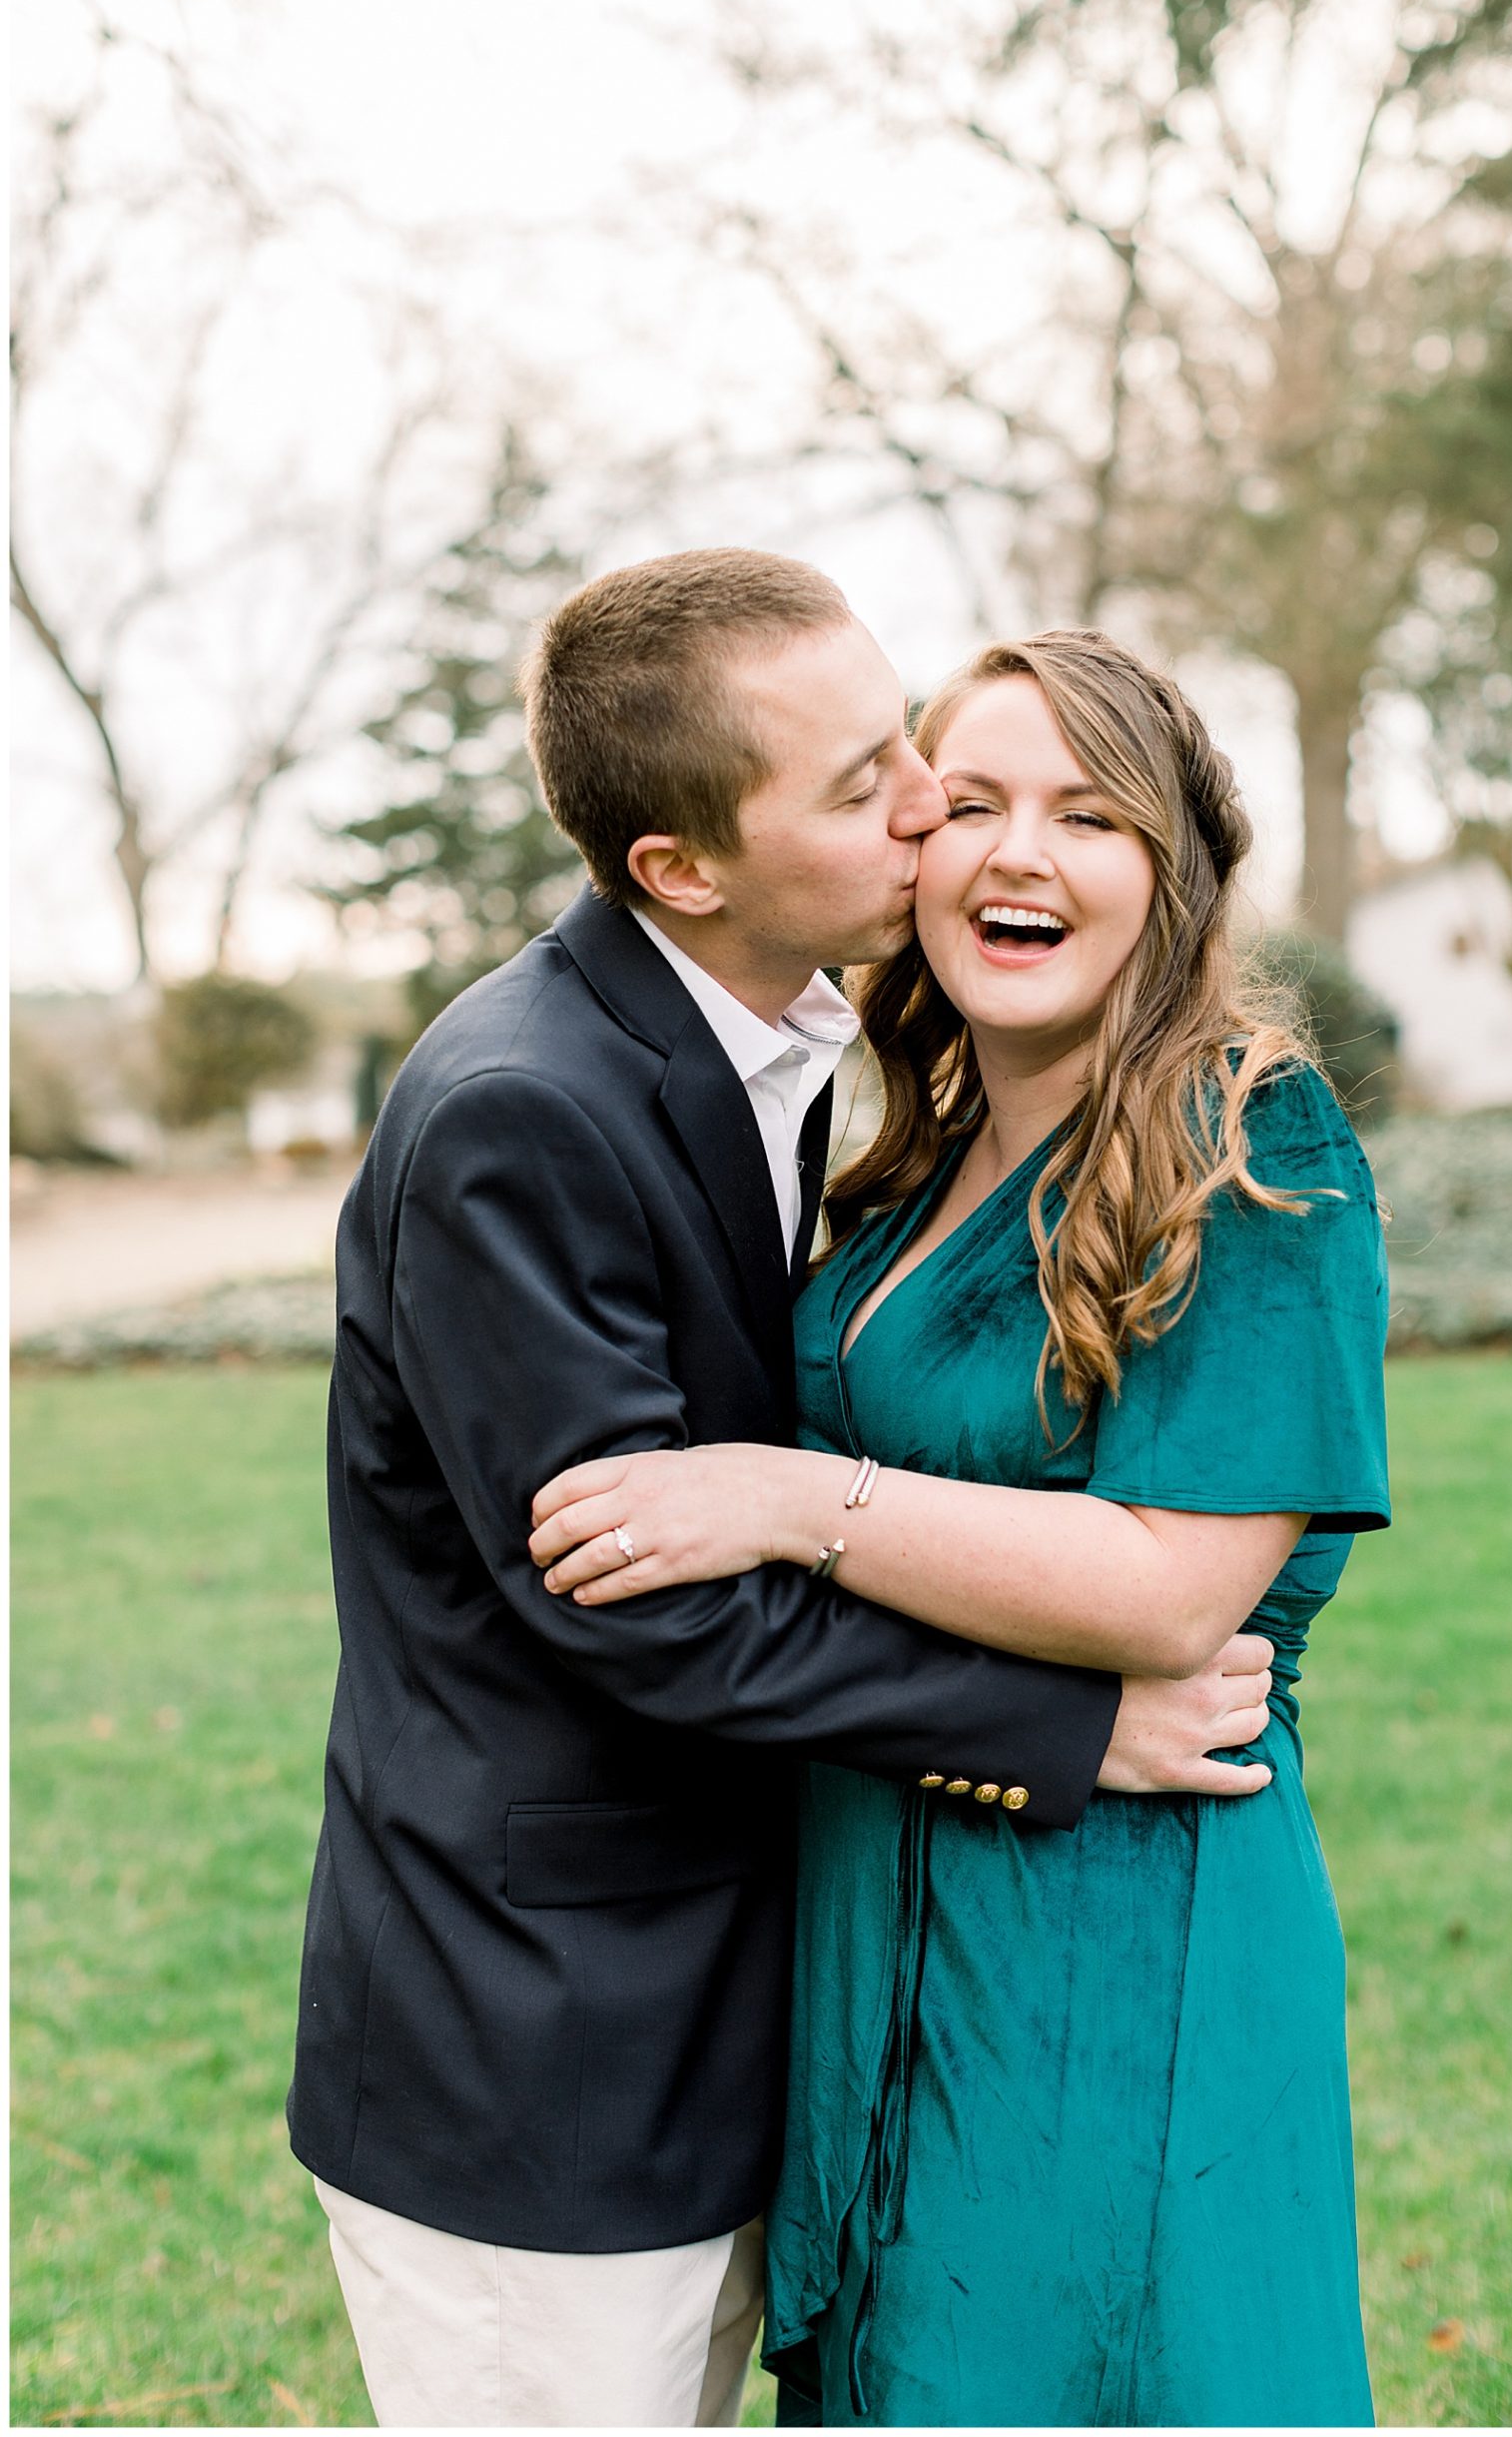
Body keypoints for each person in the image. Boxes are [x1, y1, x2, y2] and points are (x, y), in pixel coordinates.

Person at [287, 553, 1280, 2429]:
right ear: (680, 870)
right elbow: (643, 1607)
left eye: (899, 731)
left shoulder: (810, 1052)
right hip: (544, 2058)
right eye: (858, 785)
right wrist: (1069, 1721)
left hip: (744, 2006)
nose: (927, 799)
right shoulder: (524, 1111)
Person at [527, 626, 1393, 2428]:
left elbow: (1173, 1592)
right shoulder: (909, 1149)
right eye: (971, 801)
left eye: (1086, 815)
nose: (1014, 853)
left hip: (1119, 1925)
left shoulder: (1256, 1145)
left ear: (1171, 872)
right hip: (867, 1911)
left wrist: (788, 1500)